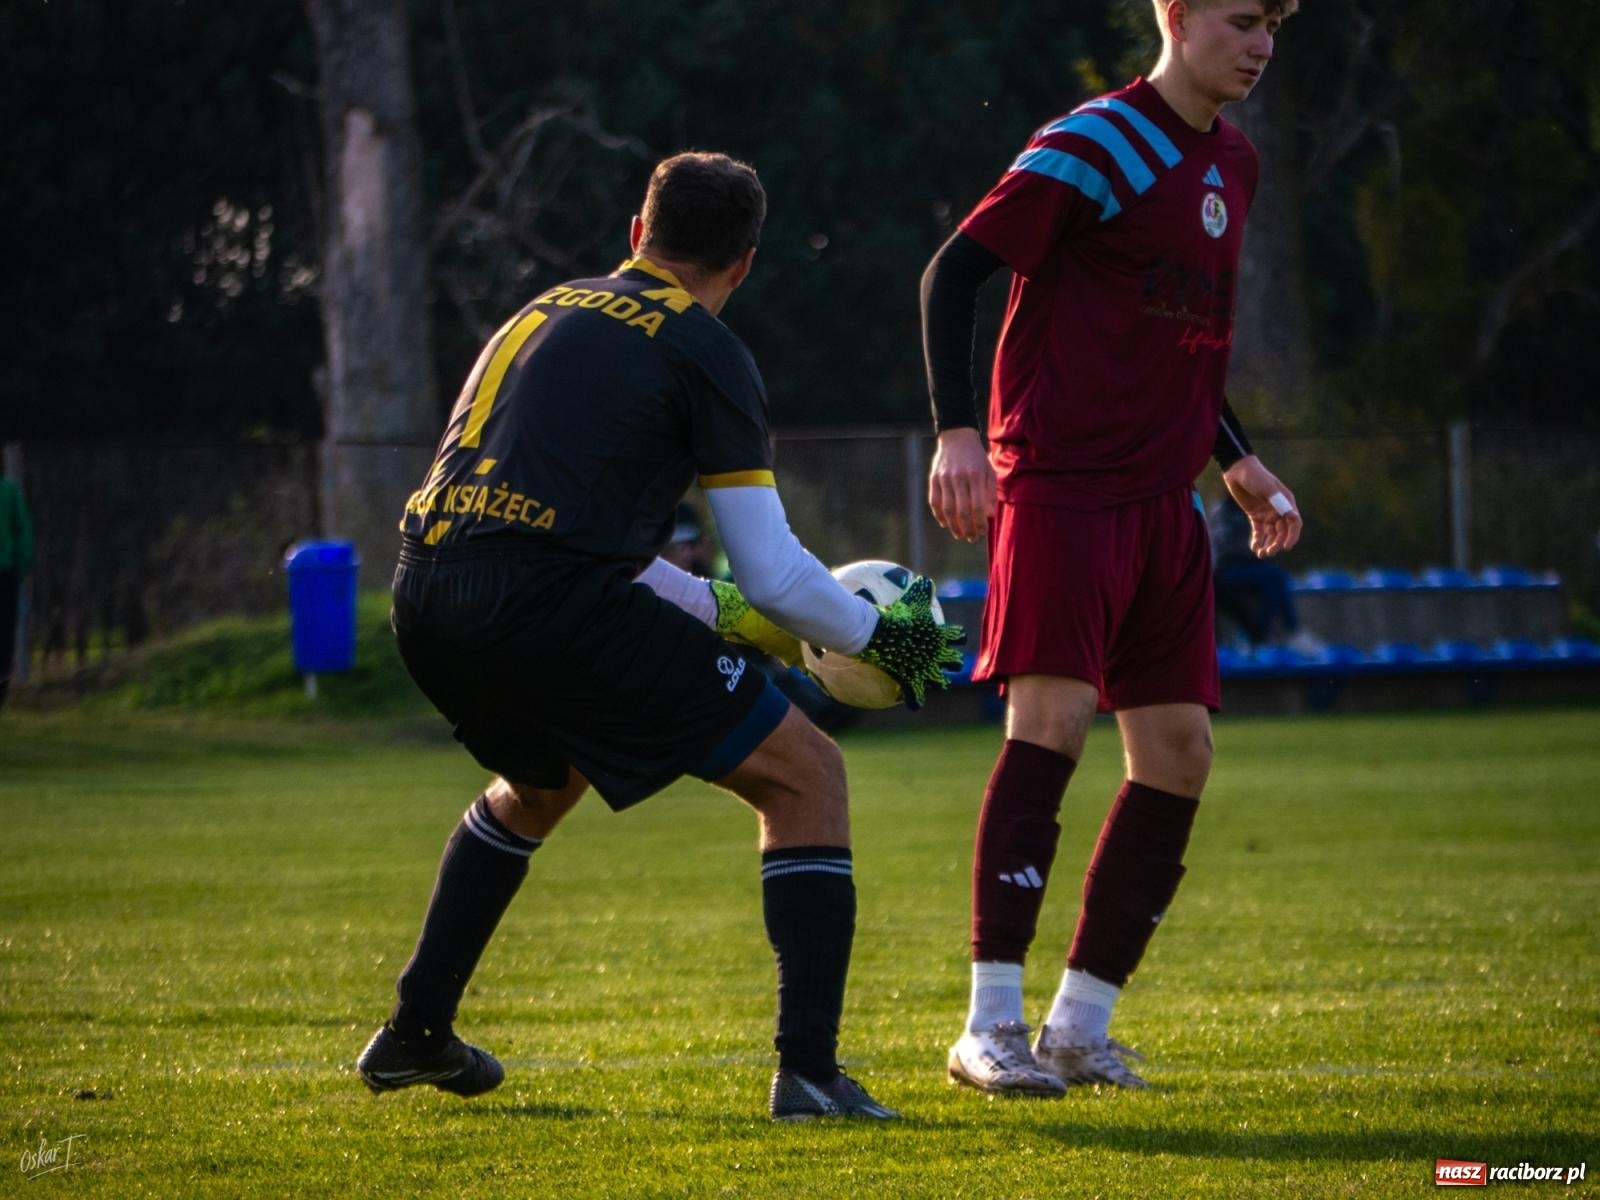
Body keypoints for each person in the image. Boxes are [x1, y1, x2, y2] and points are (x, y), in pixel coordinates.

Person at [358, 151, 962, 1121]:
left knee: (545, 782)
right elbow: (767, 567)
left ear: (638, 233)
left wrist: (750, 627)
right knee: (807, 774)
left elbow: (600, 549)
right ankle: (808, 1073)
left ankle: (414, 1034)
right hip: (548, 601)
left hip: (425, 592)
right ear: (747, 264)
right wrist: (874, 636)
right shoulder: (704, 348)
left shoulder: (544, 309)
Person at [921, 0, 1304, 1095]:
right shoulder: (1096, 141)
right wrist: (957, 433)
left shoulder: (1235, 157)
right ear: (1175, 19)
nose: (1261, 45)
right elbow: (952, 276)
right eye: (1240, 20)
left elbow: (1179, 331)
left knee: (1179, 753)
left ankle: (1078, 1027)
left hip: (1163, 500)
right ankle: (987, 1024)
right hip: (1061, 485)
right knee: (1050, 723)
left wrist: (1234, 457)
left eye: (1274, 25)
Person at [1208, 496, 1322, 653]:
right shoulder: (1223, 511)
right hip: (1228, 570)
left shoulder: (1253, 509)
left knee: (1274, 580)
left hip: (1250, 567)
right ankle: (1287, 631)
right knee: (1274, 577)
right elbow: (1228, 547)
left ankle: (1262, 635)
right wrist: (1255, 550)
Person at [0, 465, 34, 712]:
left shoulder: (9, 491)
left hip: (6, 570)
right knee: (4, 635)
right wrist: (23, 563)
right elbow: (23, 529)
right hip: (6, 572)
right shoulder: (9, 491)